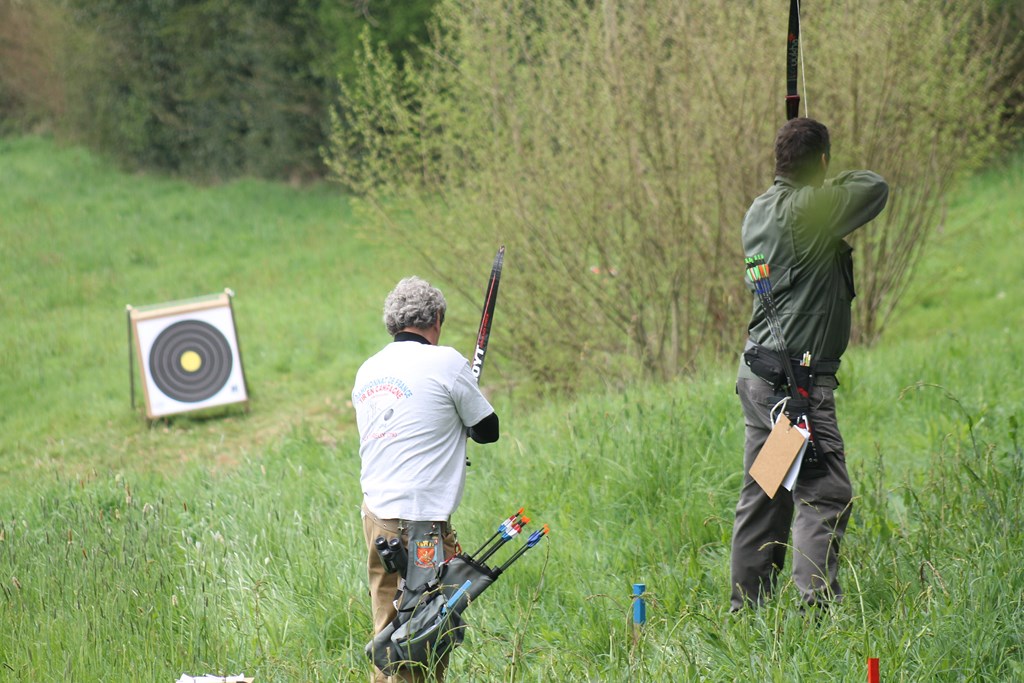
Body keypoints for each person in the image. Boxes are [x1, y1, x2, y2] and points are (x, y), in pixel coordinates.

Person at [730, 117, 889, 611]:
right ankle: (815, 613)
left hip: (764, 378)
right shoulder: (808, 210)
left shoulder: (760, 209)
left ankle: (745, 610)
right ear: (821, 162)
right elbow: (874, 187)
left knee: (767, 493)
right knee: (824, 494)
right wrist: (826, 180)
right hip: (794, 390)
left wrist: (815, 177)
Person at [353, 276, 499, 682]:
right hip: (421, 524)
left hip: (376, 517)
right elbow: (488, 430)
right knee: (423, 639)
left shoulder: (368, 369)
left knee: (388, 635)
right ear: (436, 318)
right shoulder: (446, 362)